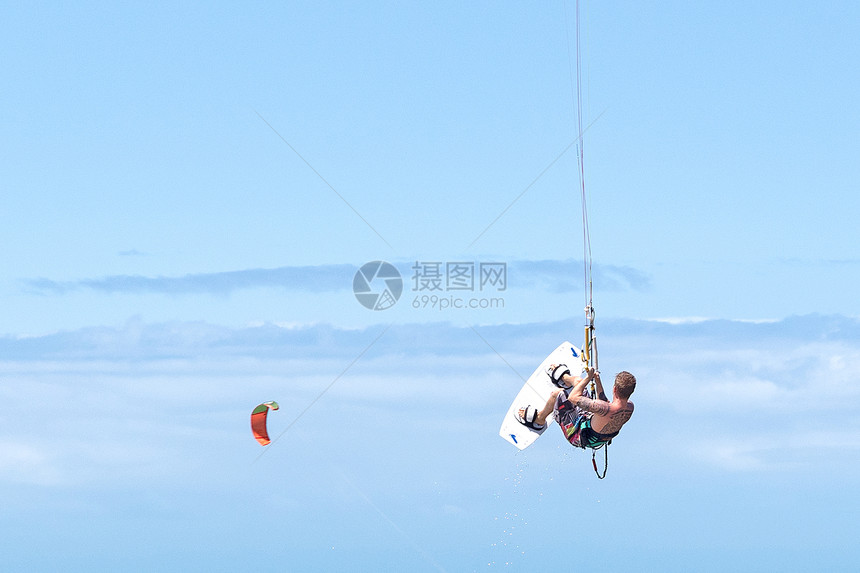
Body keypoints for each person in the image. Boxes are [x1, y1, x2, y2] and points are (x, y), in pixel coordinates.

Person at [517, 365, 635, 449]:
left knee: (557, 394)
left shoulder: (604, 408)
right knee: (579, 382)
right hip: (590, 425)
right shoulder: (629, 407)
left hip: (577, 434)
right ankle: (565, 379)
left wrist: (588, 378)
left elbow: (572, 398)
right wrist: (597, 381)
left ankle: (539, 419)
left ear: (614, 389)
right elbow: (604, 404)